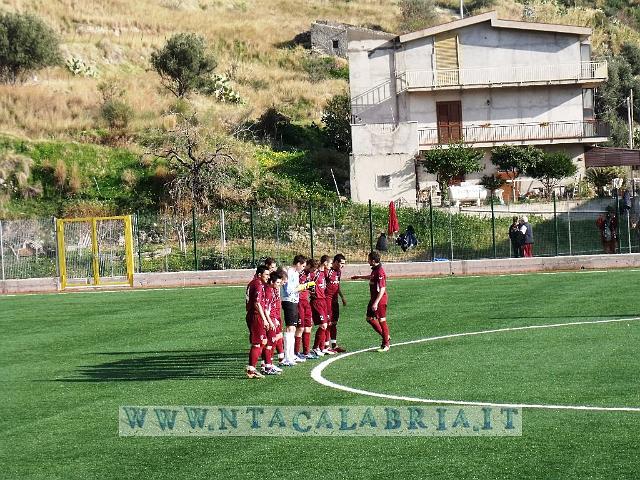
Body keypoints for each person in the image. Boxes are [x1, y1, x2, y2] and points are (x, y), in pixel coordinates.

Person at [352, 251, 390, 352]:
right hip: (373, 299)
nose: (367, 261)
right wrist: (359, 277)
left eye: (368, 259)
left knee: (382, 320)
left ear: (373, 261)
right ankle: (385, 336)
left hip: (379, 300)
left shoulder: (380, 272)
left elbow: (382, 289)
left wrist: (376, 303)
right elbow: (371, 277)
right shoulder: (375, 270)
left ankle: (386, 344)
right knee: (369, 318)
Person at [281, 255, 313, 366]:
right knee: (290, 328)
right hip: (288, 301)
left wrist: (303, 286)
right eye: (303, 266)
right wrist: (304, 286)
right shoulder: (290, 272)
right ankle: (287, 357)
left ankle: (291, 355)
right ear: (298, 263)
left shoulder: (295, 273)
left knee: (293, 328)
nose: (303, 268)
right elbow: (289, 290)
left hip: (294, 301)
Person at [245, 265, 271, 379]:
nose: (268, 277)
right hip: (256, 316)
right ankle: (251, 369)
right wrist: (264, 319)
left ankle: (256, 365)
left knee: (264, 341)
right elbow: (257, 303)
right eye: (266, 274)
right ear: (260, 275)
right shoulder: (258, 284)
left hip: (254, 315)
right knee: (257, 342)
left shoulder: (253, 283)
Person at [262, 270, 285, 375]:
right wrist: (270, 321)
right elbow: (266, 309)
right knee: (269, 344)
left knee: (273, 341)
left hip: (273, 318)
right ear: (271, 282)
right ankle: (267, 367)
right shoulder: (268, 291)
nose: (279, 285)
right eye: (278, 283)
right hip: (270, 319)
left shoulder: (272, 290)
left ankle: (269, 364)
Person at [326, 253, 347, 353]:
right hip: (327, 301)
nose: (343, 265)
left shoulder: (338, 272)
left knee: (334, 323)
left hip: (335, 301)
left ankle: (334, 345)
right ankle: (325, 346)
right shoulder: (328, 271)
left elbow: (337, 286)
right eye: (342, 263)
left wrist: (342, 297)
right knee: (327, 323)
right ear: (335, 262)